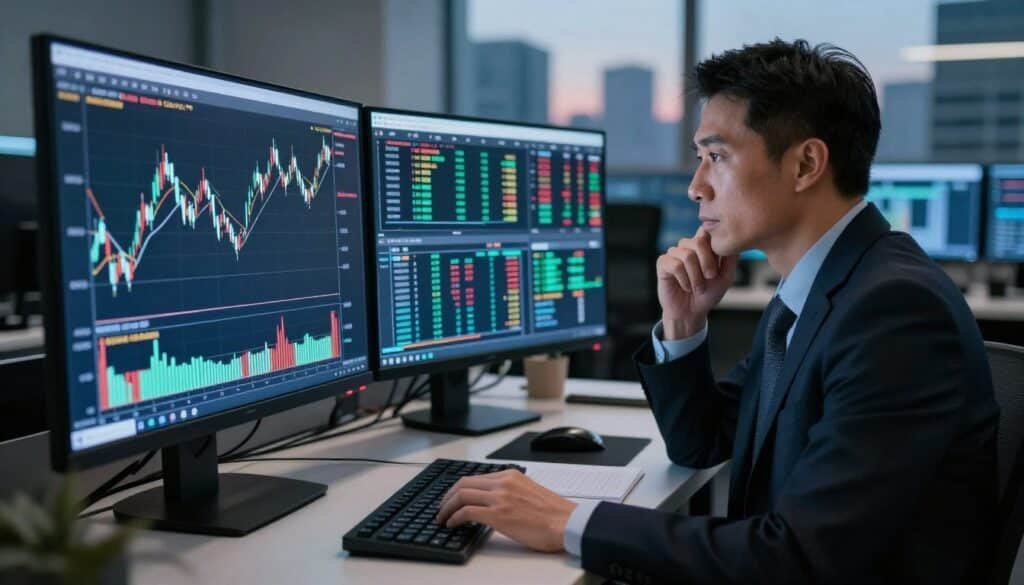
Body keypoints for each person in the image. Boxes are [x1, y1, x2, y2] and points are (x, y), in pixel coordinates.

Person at [435, 39, 998, 584]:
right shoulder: (824, 288)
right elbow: (703, 442)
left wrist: (568, 521)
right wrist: (684, 323)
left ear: (806, 165)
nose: (695, 187)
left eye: (716, 157)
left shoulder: (891, 311)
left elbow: (798, 559)